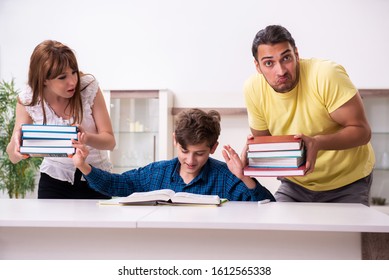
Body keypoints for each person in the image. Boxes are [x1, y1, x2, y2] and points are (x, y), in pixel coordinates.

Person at [243, 25, 375, 206]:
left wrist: (318, 142)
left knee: (346, 235)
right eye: (268, 63)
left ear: (296, 55)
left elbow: (362, 132)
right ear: (257, 66)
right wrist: (250, 159)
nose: (280, 71)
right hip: (295, 184)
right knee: (278, 231)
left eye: (286, 58)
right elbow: (266, 142)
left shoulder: (325, 75)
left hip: (347, 182)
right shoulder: (253, 89)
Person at [72, 108, 275, 202]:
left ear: (213, 148)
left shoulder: (227, 177)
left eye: (200, 154)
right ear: (175, 140)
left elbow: (268, 207)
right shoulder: (157, 173)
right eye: (184, 151)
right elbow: (116, 185)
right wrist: (83, 166)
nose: (190, 160)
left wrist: (244, 177)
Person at [6, 40, 116, 199]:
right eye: (62, 77)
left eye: (73, 72)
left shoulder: (88, 87)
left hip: (95, 177)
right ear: (44, 79)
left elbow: (110, 142)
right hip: (53, 181)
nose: (72, 81)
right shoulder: (29, 99)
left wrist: (86, 138)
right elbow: (12, 156)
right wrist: (18, 147)